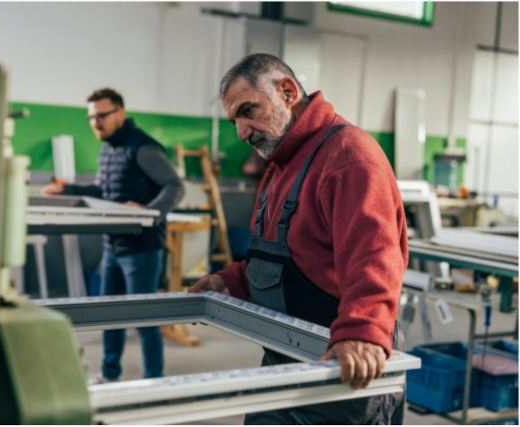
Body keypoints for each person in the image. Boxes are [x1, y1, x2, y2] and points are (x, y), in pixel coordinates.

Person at [189, 53, 408, 424]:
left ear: (287, 92)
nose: (242, 132)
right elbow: (286, 258)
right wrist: (231, 282)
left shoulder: (349, 156)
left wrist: (362, 333)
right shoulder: (279, 166)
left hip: (341, 360)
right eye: (235, 121)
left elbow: (376, 259)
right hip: (282, 355)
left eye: (248, 111)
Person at [43, 88, 184, 383]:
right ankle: (109, 373)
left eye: (102, 116)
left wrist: (147, 212)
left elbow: (175, 186)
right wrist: (67, 189)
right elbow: (103, 191)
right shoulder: (108, 149)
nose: (96, 122)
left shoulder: (143, 148)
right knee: (110, 314)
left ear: (120, 113)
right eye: (91, 117)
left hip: (142, 250)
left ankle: (154, 382)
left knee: (144, 321)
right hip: (113, 248)